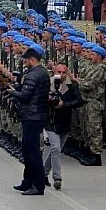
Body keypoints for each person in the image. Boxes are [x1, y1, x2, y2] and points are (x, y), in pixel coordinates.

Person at [9, 44, 50, 196]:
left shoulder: (34, 74)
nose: (24, 63)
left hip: (32, 116)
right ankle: (27, 182)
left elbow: (26, 96)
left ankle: (38, 185)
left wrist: (13, 92)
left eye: (26, 61)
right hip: (34, 115)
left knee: (32, 152)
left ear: (32, 60)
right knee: (27, 150)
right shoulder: (41, 72)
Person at [44, 63, 83, 191]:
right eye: (58, 72)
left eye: (63, 72)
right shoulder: (47, 83)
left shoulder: (72, 85)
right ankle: (57, 177)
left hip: (65, 121)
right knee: (55, 147)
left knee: (56, 150)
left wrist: (64, 104)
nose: (60, 75)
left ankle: (43, 174)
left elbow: (79, 101)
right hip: (51, 120)